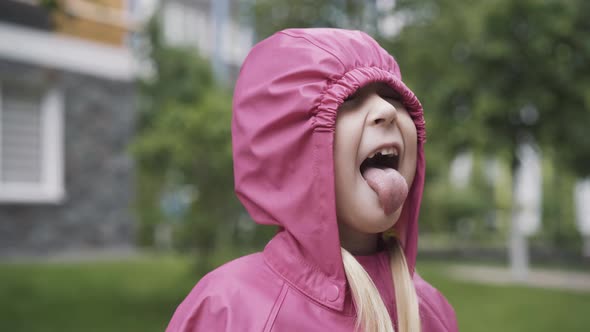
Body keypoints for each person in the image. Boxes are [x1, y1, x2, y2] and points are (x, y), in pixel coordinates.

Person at [166, 28, 458, 332]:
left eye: (393, 97)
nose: (387, 110)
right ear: (292, 148)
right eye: (350, 99)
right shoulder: (228, 309)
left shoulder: (431, 311)